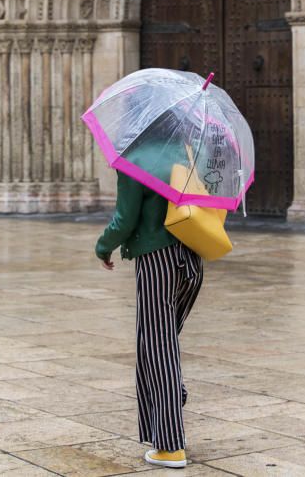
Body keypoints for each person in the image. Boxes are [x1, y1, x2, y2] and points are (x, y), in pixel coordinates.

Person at [95, 148, 203, 469]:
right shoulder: (185, 152)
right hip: (192, 261)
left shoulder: (135, 160)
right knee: (163, 342)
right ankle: (173, 393)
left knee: (157, 348)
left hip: (158, 260)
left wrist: (103, 246)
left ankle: (170, 447)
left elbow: (125, 219)